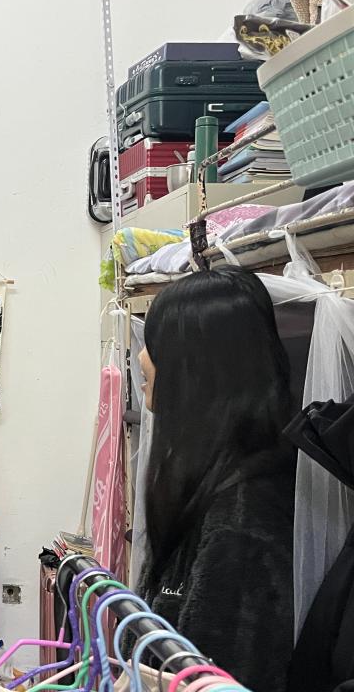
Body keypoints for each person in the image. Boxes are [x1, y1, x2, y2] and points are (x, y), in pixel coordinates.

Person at [137, 266, 295, 692]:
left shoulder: (244, 521)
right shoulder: (207, 483)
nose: (142, 358)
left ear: (195, 369)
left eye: (155, 345)